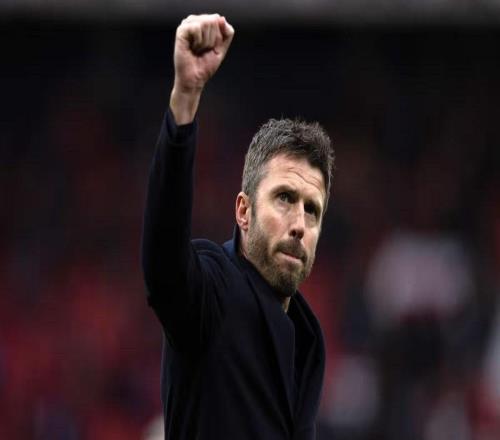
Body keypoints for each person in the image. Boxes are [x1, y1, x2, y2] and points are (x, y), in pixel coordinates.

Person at [141, 14, 335, 440]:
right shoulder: (212, 292)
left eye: (312, 210)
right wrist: (185, 100)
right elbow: (163, 260)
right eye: (284, 198)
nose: (299, 224)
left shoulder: (307, 338)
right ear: (243, 212)